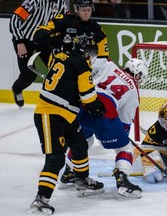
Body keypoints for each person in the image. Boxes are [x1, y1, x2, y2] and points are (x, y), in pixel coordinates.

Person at [29, 34, 106, 215]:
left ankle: (82, 180)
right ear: (83, 51)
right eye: (90, 52)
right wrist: (96, 107)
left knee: (79, 145)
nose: (91, 56)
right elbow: (87, 95)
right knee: (56, 158)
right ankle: (41, 198)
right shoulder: (81, 64)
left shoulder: (61, 57)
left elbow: (68, 85)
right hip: (49, 114)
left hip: (67, 114)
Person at [60, 57, 149, 198]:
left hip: (83, 107)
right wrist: (118, 136)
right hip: (104, 115)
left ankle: (69, 172)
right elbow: (125, 123)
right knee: (125, 148)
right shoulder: (134, 92)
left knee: (84, 140)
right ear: (137, 74)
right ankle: (122, 180)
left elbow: (86, 75)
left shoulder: (109, 65)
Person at [9, 0, 68, 108]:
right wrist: (19, 41)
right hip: (24, 39)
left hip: (43, 39)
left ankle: (57, 98)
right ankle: (17, 88)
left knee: (56, 67)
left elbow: (66, 19)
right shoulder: (34, 1)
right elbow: (15, 19)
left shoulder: (60, 2)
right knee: (29, 75)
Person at [33, 0, 109, 71]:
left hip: (83, 65)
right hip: (63, 62)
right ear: (77, 10)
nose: (86, 13)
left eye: (88, 10)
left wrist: (95, 69)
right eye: (83, 10)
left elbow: (103, 54)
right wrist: (42, 34)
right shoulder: (65, 20)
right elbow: (43, 30)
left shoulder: (96, 28)